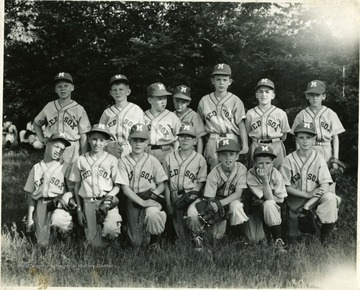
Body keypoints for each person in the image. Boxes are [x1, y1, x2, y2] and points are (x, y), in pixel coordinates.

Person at [280, 122, 341, 244]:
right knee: (293, 241)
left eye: (308, 137)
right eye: (301, 137)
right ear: (296, 139)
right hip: (296, 201)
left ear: (314, 140)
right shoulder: (288, 160)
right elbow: (285, 187)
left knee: (330, 198)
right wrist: (306, 195)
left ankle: (324, 238)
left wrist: (308, 204)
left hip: (314, 199)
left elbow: (325, 184)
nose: (305, 141)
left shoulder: (319, 159)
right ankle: (301, 226)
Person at [187, 138, 249, 249]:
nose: (228, 158)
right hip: (215, 201)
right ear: (218, 157)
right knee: (194, 214)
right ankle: (198, 237)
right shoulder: (214, 173)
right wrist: (217, 205)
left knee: (237, 207)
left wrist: (220, 204)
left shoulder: (241, 169)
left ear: (237, 156)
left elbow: (238, 193)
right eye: (224, 154)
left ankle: (239, 237)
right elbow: (210, 198)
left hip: (230, 201)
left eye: (231, 154)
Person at [68, 124, 122, 247]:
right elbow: (76, 185)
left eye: (101, 140)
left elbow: (118, 185)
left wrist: (109, 197)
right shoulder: (80, 160)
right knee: (95, 245)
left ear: (107, 142)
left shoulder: (112, 160)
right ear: (88, 139)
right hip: (88, 202)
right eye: (94, 139)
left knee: (111, 230)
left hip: (106, 200)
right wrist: (79, 209)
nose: (97, 143)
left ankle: (113, 245)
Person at [118, 123, 168, 247]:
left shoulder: (153, 160)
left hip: (149, 195)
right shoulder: (123, 161)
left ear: (147, 142)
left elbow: (162, 184)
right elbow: (125, 188)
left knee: (153, 215)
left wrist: (153, 195)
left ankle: (154, 243)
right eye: (135, 140)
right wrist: (142, 202)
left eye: (142, 140)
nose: (138, 144)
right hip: (132, 198)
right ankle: (133, 233)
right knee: (136, 243)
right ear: (129, 141)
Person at [24, 133, 75, 246]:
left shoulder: (66, 167)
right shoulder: (36, 168)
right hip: (41, 205)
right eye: (56, 147)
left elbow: (74, 190)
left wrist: (68, 195)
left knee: (58, 221)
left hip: (58, 205)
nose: (59, 151)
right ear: (47, 144)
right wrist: (30, 218)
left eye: (62, 149)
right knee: (42, 244)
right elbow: (31, 195)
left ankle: (66, 235)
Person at [197, 63, 249, 169]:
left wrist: (245, 145)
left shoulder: (236, 100)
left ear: (229, 82)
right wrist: (199, 152)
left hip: (231, 137)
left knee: (232, 171)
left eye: (225, 80)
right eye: (218, 79)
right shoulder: (204, 100)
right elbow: (200, 129)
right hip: (212, 138)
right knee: (213, 170)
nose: (221, 83)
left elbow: (241, 124)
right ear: (213, 81)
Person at [33, 72, 91, 163]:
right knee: (51, 173)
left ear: (72, 87)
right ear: (55, 89)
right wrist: (41, 138)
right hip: (52, 146)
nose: (63, 88)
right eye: (59, 86)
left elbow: (83, 134)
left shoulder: (79, 109)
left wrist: (84, 156)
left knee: (71, 175)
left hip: (71, 147)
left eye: (66, 86)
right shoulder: (49, 106)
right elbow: (36, 123)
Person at [162, 123, 207, 241]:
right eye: (182, 136)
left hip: (191, 194)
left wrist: (192, 194)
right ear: (178, 139)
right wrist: (168, 203)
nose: (185, 139)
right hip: (174, 195)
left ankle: (198, 239)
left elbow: (201, 182)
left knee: (193, 215)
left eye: (189, 137)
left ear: (195, 141)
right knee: (181, 236)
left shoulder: (199, 158)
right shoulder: (169, 157)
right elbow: (166, 182)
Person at [291, 80, 345, 168]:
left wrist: (335, 159)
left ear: (324, 96)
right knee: (309, 178)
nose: (314, 98)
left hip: (326, 149)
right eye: (311, 95)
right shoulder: (301, 115)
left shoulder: (330, 114)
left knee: (327, 179)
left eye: (317, 95)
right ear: (307, 96)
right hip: (308, 149)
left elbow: (335, 137)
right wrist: (299, 156)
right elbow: (297, 139)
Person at [244, 145, 287, 251]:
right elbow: (267, 197)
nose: (264, 167)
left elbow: (280, 199)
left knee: (269, 204)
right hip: (254, 210)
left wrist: (270, 198)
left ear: (272, 163)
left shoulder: (276, 174)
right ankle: (266, 234)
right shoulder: (250, 175)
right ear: (254, 163)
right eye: (260, 163)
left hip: (271, 208)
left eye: (268, 163)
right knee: (254, 239)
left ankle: (278, 239)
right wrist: (264, 180)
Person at [245, 78, 291, 169]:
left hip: (275, 145)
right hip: (256, 144)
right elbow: (247, 132)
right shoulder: (250, 113)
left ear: (273, 95)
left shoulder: (280, 113)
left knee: (279, 172)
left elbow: (284, 135)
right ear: (256, 95)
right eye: (260, 91)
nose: (264, 94)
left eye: (267, 91)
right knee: (255, 173)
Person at [99, 74, 144, 158]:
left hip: (130, 148)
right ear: (111, 93)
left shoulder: (136, 110)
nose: (118, 92)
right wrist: (108, 146)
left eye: (121, 89)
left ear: (128, 91)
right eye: (114, 90)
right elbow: (100, 135)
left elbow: (141, 134)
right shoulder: (107, 112)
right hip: (110, 149)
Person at [144, 82, 181, 164]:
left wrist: (174, 154)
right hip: (147, 151)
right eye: (159, 99)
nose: (163, 102)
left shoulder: (172, 117)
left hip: (166, 151)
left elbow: (178, 138)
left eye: (165, 98)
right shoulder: (142, 117)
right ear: (150, 100)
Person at [172, 85, 206, 153]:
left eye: (183, 102)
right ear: (173, 99)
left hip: (190, 151)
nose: (179, 104)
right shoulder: (170, 115)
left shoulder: (194, 116)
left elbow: (199, 138)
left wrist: (199, 156)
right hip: (173, 150)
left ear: (188, 102)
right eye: (177, 101)